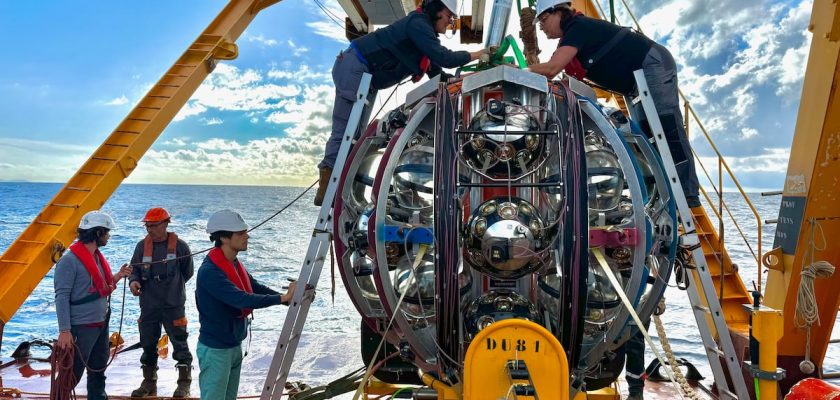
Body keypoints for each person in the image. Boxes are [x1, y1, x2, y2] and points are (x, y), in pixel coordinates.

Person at [314, 0, 493, 206]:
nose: (450, 23)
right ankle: (327, 185)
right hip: (356, 66)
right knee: (346, 130)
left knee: (356, 135)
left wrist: (471, 80)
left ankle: (341, 186)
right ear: (436, 10)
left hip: (366, 77)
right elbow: (444, 57)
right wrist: (478, 54)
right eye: (449, 17)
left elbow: (438, 73)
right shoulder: (417, 24)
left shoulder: (424, 38)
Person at [528, 0, 702, 208]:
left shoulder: (577, 27)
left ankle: (687, 193)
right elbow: (565, 78)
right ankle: (663, 196)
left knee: (665, 128)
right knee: (645, 138)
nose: (542, 27)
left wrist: (520, 70)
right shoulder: (571, 37)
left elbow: (552, 68)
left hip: (652, 64)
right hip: (634, 84)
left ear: (559, 12)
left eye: (544, 20)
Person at [195, 209, 298, 400]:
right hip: (216, 350)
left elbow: (254, 287)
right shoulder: (210, 272)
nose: (247, 236)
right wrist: (282, 298)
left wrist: (287, 299)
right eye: (241, 233)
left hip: (233, 345)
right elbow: (241, 298)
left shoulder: (232, 262)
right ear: (224, 238)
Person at [54, 210, 132, 400]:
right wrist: (65, 330)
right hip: (82, 327)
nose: (108, 236)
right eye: (106, 232)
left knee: (98, 367)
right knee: (71, 375)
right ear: (97, 233)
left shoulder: (96, 257)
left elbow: (99, 289)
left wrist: (119, 276)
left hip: (100, 323)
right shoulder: (69, 261)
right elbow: (61, 296)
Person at [128, 207, 194, 398]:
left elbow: (187, 272)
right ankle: (148, 382)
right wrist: (134, 282)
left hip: (173, 304)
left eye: (154, 225)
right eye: (147, 226)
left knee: (180, 343)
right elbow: (135, 270)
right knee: (148, 343)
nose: (149, 229)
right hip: (148, 305)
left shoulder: (180, 247)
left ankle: (184, 384)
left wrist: (172, 286)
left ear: (166, 224)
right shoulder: (142, 247)